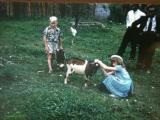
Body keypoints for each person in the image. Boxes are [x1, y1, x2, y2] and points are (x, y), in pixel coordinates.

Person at [132, 5, 160, 72]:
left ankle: (147, 67)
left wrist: (158, 34)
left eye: (152, 11)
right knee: (141, 52)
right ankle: (139, 66)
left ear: (155, 12)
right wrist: (139, 31)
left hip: (153, 37)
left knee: (150, 53)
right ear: (147, 11)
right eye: (149, 11)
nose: (150, 13)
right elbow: (134, 24)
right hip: (144, 36)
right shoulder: (143, 18)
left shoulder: (158, 19)